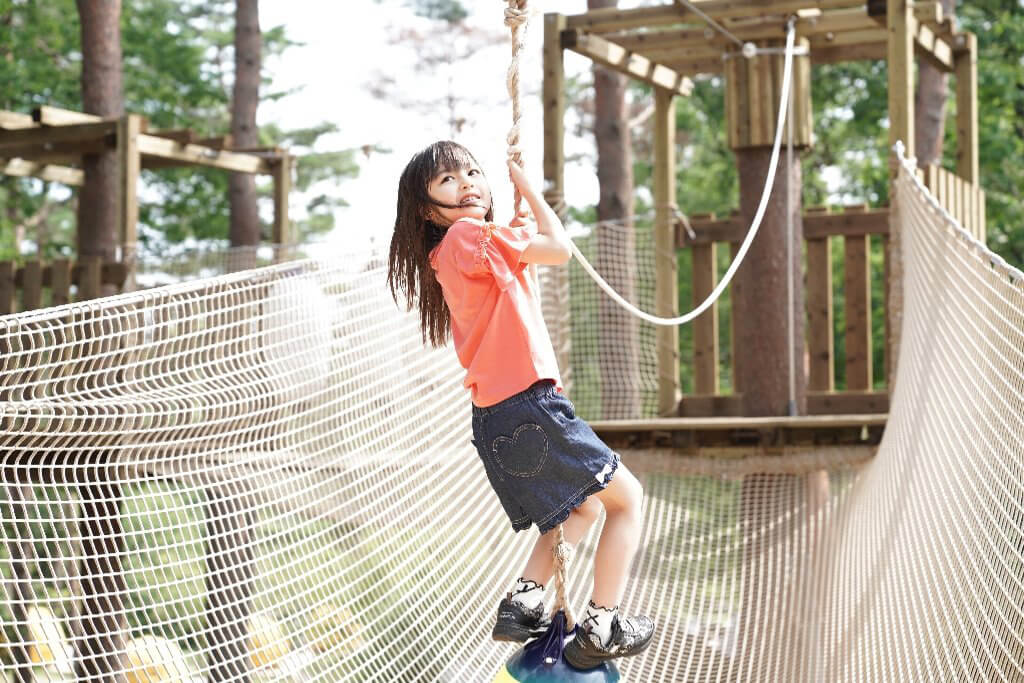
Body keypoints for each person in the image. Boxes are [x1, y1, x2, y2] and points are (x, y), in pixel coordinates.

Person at [386, 140, 654, 669]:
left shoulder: (456, 253)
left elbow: (529, 256)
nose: (466, 184)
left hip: (496, 418)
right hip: (530, 404)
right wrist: (529, 186)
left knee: (582, 506)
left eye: (472, 172)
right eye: (448, 181)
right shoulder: (469, 235)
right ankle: (603, 621)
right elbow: (558, 249)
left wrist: (519, 211)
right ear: (426, 209)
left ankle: (525, 600)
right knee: (629, 500)